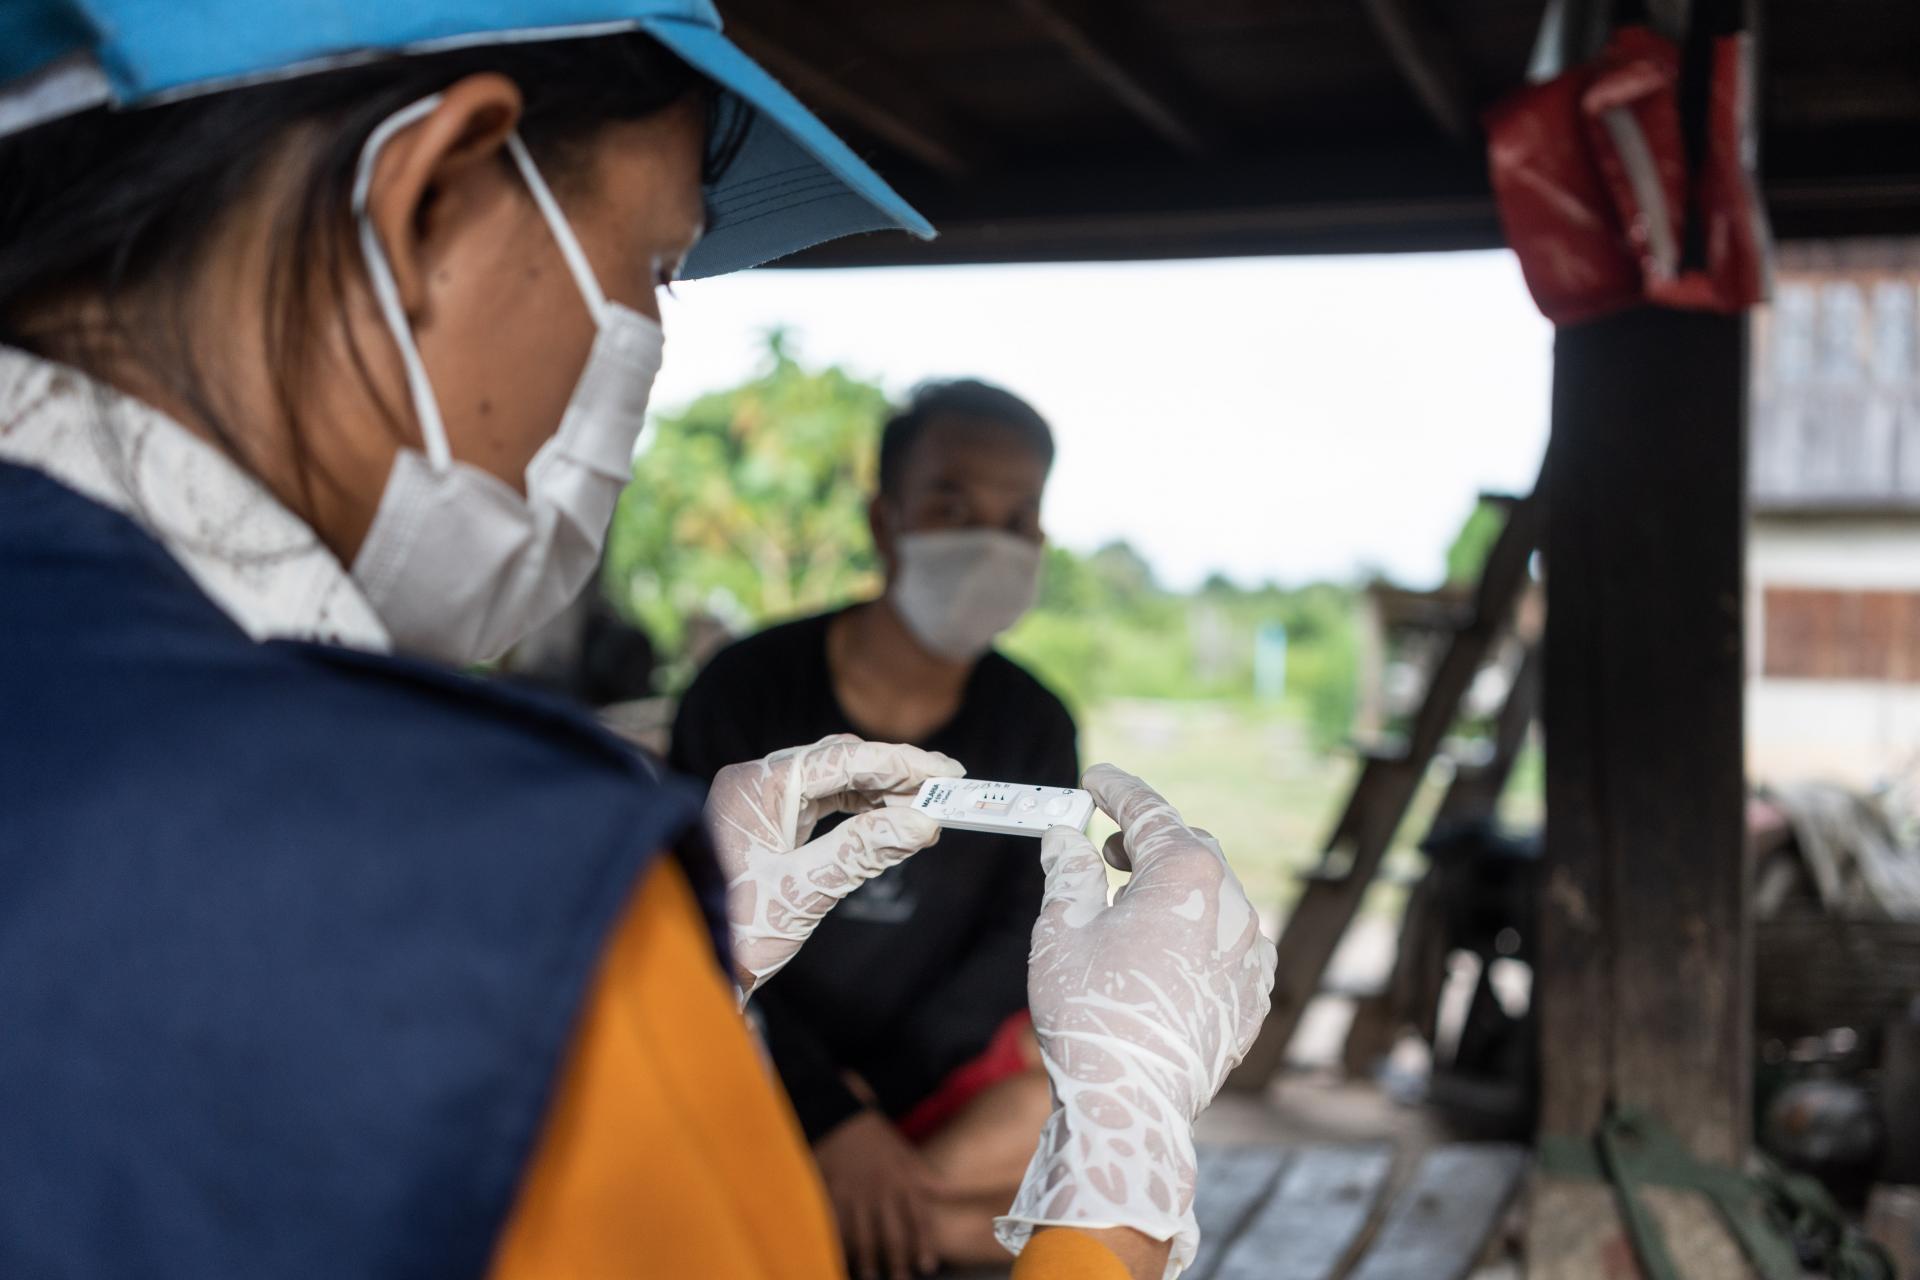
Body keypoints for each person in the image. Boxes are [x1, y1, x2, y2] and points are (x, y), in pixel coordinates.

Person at [0, 6, 1277, 1280]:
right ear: (431, 201)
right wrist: (1122, 1159)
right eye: (654, 267)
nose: (645, 344)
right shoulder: (490, 883)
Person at [671, 379, 1075, 1276]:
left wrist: (874, 1108)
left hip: (928, 1092)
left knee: (1089, 1120)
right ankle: (896, 1223)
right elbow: (696, 919)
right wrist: (828, 1113)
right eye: (952, 505)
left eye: (1019, 518)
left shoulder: (1035, 725)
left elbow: (1021, 934)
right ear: (885, 521)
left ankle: (814, 1226)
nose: (991, 542)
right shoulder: (745, 691)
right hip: (749, 1062)